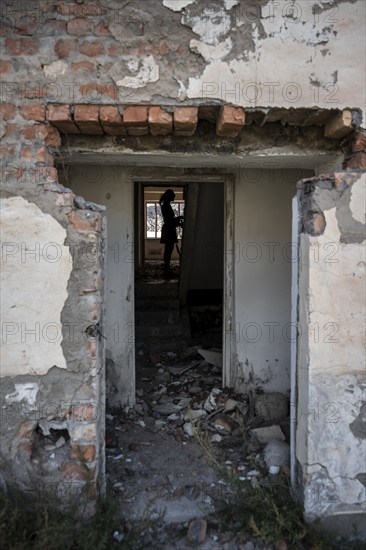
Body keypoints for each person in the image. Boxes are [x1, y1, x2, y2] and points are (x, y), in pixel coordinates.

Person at [159, 189, 183, 277]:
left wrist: (177, 219)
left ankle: (167, 268)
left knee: (168, 249)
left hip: (169, 229)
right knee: (168, 250)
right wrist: (178, 220)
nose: (174, 196)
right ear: (169, 196)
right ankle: (166, 270)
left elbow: (170, 220)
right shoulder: (166, 206)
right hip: (169, 229)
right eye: (173, 195)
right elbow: (170, 221)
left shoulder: (166, 205)